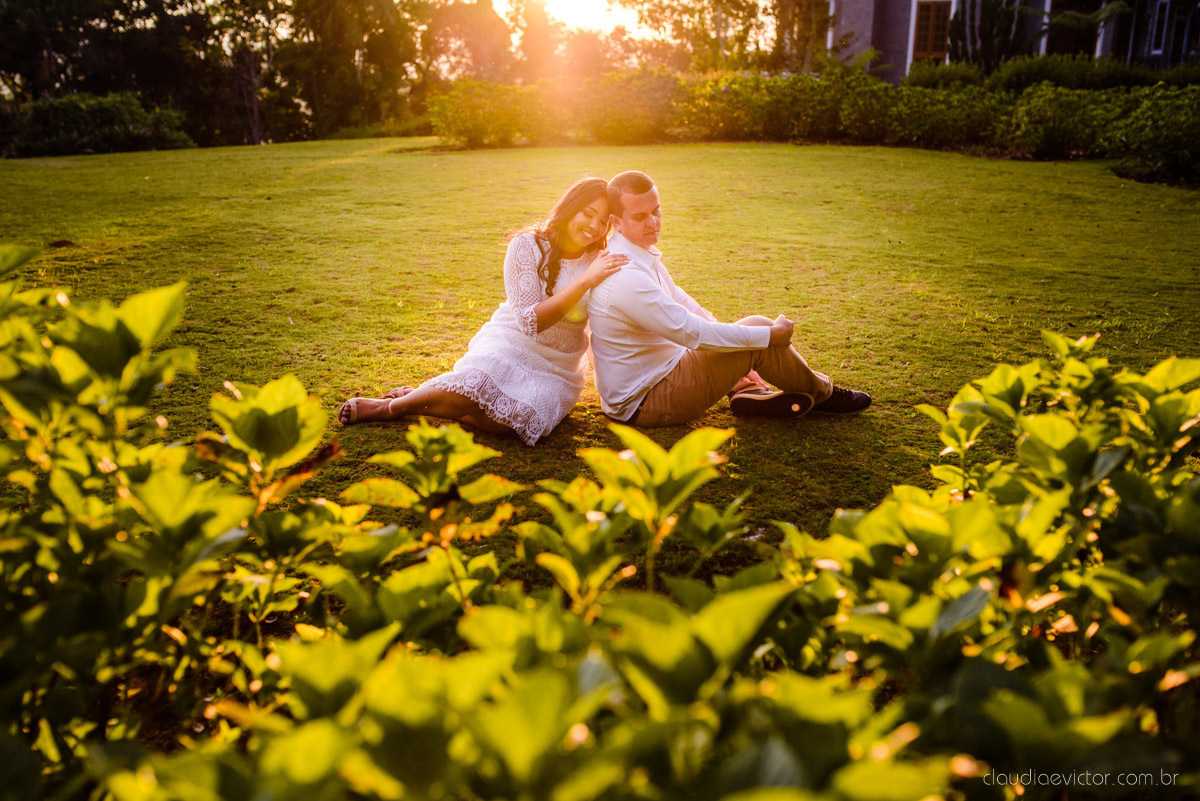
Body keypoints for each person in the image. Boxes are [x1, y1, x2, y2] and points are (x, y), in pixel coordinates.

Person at [339, 177, 628, 445]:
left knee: (515, 422)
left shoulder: (599, 259)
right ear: (570, 208)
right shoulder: (527, 245)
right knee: (479, 385)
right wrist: (585, 280)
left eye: (603, 221)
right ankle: (392, 407)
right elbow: (530, 321)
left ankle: (431, 398)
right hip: (512, 343)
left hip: (559, 366)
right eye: (588, 214)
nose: (594, 226)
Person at [587, 170, 871, 428]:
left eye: (656, 211)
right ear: (616, 222)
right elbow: (692, 333)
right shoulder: (624, 275)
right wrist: (771, 336)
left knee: (751, 334)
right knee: (758, 333)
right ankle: (825, 395)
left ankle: (747, 390)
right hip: (648, 401)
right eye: (640, 217)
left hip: (664, 374)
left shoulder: (637, 253)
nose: (654, 222)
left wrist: (740, 358)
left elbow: (687, 305)